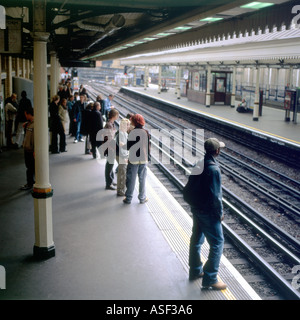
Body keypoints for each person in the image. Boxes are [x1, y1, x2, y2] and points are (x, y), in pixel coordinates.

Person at [188, 137, 227, 290]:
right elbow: (216, 196)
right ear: (217, 151)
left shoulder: (200, 163)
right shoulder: (214, 169)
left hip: (197, 208)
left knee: (196, 239)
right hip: (208, 212)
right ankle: (210, 278)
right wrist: (220, 213)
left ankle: (196, 270)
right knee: (218, 242)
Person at [123, 114, 150, 204]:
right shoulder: (146, 132)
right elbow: (148, 147)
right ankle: (142, 198)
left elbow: (128, 146)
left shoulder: (132, 132)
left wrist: (122, 145)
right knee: (142, 179)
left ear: (134, 122)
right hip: (143, 159)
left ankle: (128, 198)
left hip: (133, 159)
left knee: (131, 179)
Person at [103, 109, 119, 190]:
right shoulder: (109, 125)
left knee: (111, 165)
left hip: (110, 147)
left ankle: (111, 180)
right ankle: (108, 184)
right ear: (114, 116)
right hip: (110, 148)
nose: (118, 116)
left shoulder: (111, 124)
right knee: (109, 166)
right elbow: (109, 138)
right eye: (117, 115)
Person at [20, 105, 35, 190]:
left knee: (30, 168)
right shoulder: (29, 123)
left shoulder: (34, 124)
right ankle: (30, 182)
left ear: (29, 114)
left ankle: (30, 183)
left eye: (26, 114)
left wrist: (35, 150)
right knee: (29, 167)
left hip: (31, 149)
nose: (25, 116)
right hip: (27, 149)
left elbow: (36, 138)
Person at [115, 118, 130, 196]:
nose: (129, 126)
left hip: (120, 155)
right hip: (121, 156)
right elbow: (122, 147)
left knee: (122, 173)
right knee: (122, 174)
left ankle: (120, 189)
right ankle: (121, 191)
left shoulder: (123, 133)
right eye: (128, 125)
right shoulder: (122, 134)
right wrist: (125, 157)